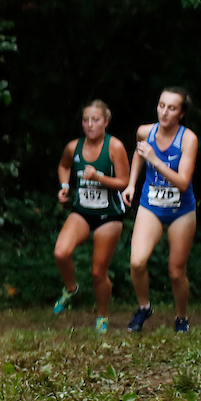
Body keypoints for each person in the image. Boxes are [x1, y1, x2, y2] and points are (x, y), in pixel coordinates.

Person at [121, 88, 198, 333]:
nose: (164, 112)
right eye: (161, 105)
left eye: (172, 108)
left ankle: (181, 317)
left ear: (181, 113)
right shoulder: (145, 132)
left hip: (181, 211)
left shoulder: (188, 139)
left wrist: (155, 159)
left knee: (176, 273)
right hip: (151, 206)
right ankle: (144, 307)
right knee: (137, 262)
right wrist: (131, 184)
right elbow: (139, 154)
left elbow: (183, 183)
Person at [51, 100, 129, 334]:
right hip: (82, 211)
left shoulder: (115, 147)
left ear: (106, 121)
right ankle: (71, 289)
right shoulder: (73, 147)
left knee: (98, 272)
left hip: (109, 214)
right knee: (60, 252)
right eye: (86, 120)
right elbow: (64, 166)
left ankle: (102, 316)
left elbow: (124, 182)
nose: (90, 125)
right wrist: (65, 186)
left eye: (95, 120)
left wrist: (98, 178)